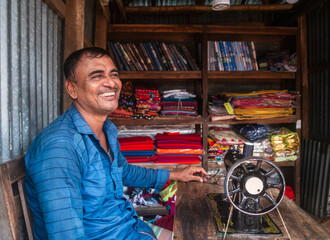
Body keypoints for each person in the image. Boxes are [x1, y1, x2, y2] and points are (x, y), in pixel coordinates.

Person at [24, 47, 209, 240]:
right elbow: (65, 235)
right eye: (96, 76)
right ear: (72, 88)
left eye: (114, 74)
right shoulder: (60, 148)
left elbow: (124, 171)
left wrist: (176, 174)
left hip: (131, 229)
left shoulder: (105, 130)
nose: (111, 83)